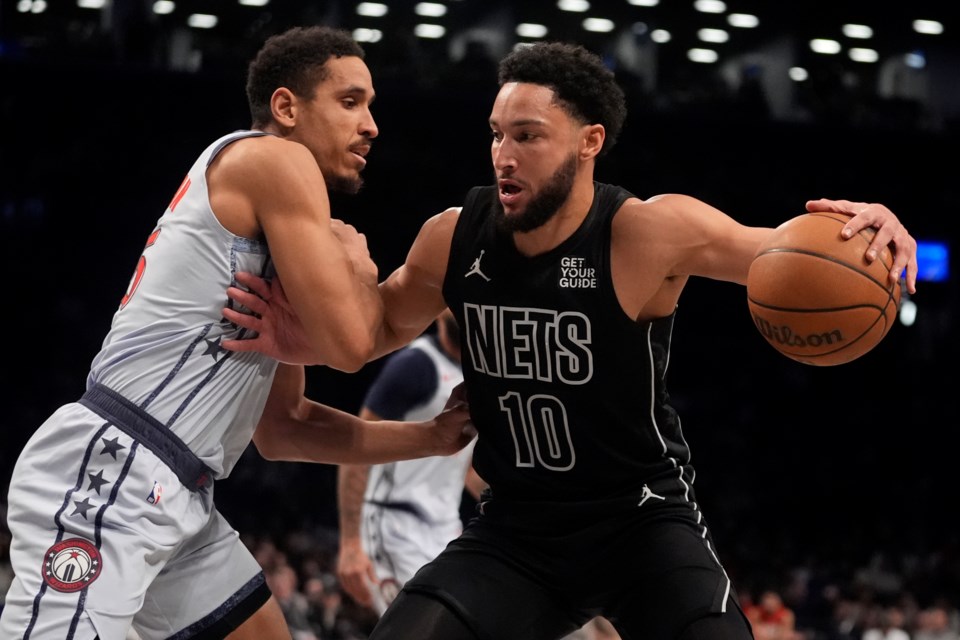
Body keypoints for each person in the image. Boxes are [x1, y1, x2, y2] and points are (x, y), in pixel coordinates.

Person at [223, 41, 918, 639]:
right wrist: (296, 335)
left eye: (527, 136)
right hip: (517, 530)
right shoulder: (451, 237)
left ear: (590, 141)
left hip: (642, 522)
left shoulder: (647, 232)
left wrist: (874, 231)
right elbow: (368, 333)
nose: (504, 155)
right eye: (496, 134)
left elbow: (781, 252)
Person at [0, 26, 474, 640]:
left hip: (178, 493)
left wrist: (431, 438)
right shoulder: (272, 159)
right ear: (286, 107)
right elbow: (354, 344)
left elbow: (285, 428)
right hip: (116, 466)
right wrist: (358, 265)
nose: (372, 125)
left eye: (372, 105)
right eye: (351, 101)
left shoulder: (270, 250)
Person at [337, 308, 485, 617]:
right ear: (438, 311)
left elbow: (469, 472)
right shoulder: (415, 364)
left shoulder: (483, 373)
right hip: (392, 526)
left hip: (445, 529)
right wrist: (351, 542)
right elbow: (355, 447)